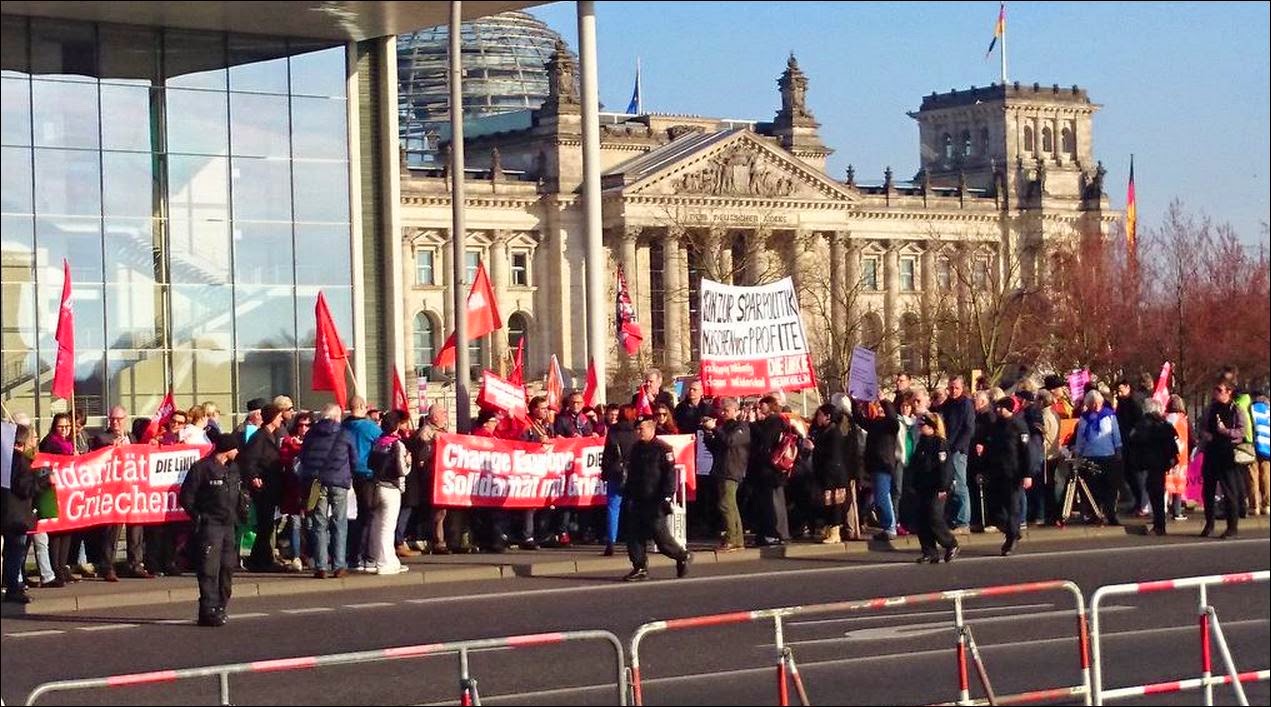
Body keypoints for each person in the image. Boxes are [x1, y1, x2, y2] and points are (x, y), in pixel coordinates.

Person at [179, 433, 245, 627]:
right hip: (211, 526)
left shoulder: (233, 469)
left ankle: (221, 607)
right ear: (227, 449)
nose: (238, 451)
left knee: (227, 568)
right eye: (235, 448)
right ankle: (207, 610)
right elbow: (186, 497)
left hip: (229, 525)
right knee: (209, 569)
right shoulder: (202, 469)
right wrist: (199, 516)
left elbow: (239, 492)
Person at [622, 415, 691, 581]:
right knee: (634, 535)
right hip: (638, 498)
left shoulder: (663, 449)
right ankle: (639, 567)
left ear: (651, 429)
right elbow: (632, 475)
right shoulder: (636, 448)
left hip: (655, 499)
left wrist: (666, 497)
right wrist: (628, 494)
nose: (639, 432)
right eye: (637, 429)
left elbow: (669, 476)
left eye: (642, 429)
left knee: (661, 538)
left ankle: (682, 556)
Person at [90, 406, 151, 580]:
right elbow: (97, 454)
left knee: (136, 529)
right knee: (112, 532)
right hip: (114, 493)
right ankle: (107, 566)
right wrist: (111, 449)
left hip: (133, 490)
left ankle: (135, 564)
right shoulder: (103, 438)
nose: (115, 422)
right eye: (112, 419)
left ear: (125, 419)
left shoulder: (131, 438)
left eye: (119, 419)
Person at [299, 405, 353, 578]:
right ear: (337, 417)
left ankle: (321, 566)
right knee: (339, 523)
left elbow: (303, 457)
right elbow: (355, 457)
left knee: (319, 524)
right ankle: (339, 565)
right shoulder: (344, 434)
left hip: (316, 483)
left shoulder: (310, 435)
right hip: (339, 481)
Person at [3, 425, 48, 604]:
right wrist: (43, 481)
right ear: (23, 442)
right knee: (15, 552)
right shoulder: (20, 461)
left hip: (6, 512)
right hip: (16, 516)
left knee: (9, 552)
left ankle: (10, 583)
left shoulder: (5, 459)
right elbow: (24, 488)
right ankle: (13, 588)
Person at [239, 403, 286, 571]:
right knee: (265, 524)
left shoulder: (275, 435)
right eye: (279, 416)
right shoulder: (259, 437)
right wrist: (254, 476)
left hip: (273, 485)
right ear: (272, 418)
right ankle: (262, 560)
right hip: (263, 486)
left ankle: (258, 558)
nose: (282, 419)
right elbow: (249, 460)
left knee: (267, 525)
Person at [983, 397, 1032, 556]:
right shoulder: (995, 426)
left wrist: (1027, 474)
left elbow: (1026, 453)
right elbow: (989, 449)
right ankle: (1011, 530)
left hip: (1013, 472)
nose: (997, 410)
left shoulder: (1019, 426)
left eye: (1001, 408)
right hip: (996, 472)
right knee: (996, 509)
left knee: (1012, 507)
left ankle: (1011, 538)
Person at [548, 391, 598, 547]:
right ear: (569, 404)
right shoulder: (562, 420)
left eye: (579, 403)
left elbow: (590, 436)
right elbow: (558, 438)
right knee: (567, 501)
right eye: (573, 403)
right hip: (567, 466)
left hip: (583, 467)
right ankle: (563, 532)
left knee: (583, 500)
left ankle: (584, 532)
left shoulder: (585, 420)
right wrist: (569, 441)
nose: (576, 405)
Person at [366, 411, 412, 574]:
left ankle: (379, 558)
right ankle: (385, 563)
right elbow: (401, 470)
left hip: (377, 485)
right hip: (391, 488)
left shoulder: (378, 442)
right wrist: (408, 462)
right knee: (388, 527)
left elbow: (370, 462)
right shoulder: (397, 444)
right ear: (397, 426)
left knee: (377, 525)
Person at [910, 412, 959, 563]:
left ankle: (950, 543)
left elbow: (945, 468)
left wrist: (943, 487)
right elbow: (916, 466)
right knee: (922, 519)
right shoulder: (922, 443)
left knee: (934, 517)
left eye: (922, 425)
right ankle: (929, 551)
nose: (920, 428)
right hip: (922, 487)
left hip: (937, 488)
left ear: (932, 427)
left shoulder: (940, 444)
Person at [703, 397, 750, 551]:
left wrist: (716, 429)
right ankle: (737, 539)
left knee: (726, 504)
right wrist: (708, 433)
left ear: (736, 411)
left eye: (727, 410)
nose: (724, 413)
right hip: (722, 468)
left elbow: (730, 442)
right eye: (722, 410)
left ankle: (732, 538)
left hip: (732, 469)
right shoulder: (725, 427)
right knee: (730, 505)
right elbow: (717, 447)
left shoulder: (741, 427)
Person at [343, 396, 385, 569]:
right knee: (368, 515)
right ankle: (366, 555)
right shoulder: (370, 427)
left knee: (354, 516)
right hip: (368, 473)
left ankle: (352, 554)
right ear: (362, 406)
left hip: (348, 473)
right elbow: (384, 444)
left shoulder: (343, 426)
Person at [1128, 399, 1180, 536]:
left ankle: (1159, 525)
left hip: (1149, 463)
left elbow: (1134, 439)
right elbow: (1171, 444)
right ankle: (1159, 524)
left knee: (1154, 493)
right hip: (1161, 463)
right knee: (1157, 493)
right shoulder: (1164, 424)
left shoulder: (1144, 424)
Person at [1199, 381, 1244, 539]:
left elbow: (1242, 431)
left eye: (1220, 390)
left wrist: (1226, 431)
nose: (1216, 392)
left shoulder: (1235, 409)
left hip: (1226, 453)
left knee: (1229, 491)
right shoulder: (1210, 409)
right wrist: (1206, 435)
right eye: (1215, 389)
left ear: (1229, 392)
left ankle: (1232, 527)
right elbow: (1202, 427)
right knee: (1208, 492)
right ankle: (1209, 524)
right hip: (1211, 452)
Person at [1073, 390, 1125, 525]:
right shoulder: (1084, 418)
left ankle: (1111, 514)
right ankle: (1095, 514)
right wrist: (1078, 452)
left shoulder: (1109, 415)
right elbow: (1081, 437)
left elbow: (1116, 433)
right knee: (1092, 488)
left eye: (1098, 403)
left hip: (1107, 455)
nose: (1095, 406)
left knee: (1110, 487)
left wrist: (1118, 449)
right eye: (1092, 404)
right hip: (1090, 455)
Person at [38, 413, 77, 587]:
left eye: (67, 426)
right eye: (61, 426)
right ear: (55, 427)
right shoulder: (50, 442)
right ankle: (54, 568)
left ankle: (62, 566)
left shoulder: (69, 443)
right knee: (56, 532)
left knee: (66, 531)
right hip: (53, 492)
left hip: (67, 492)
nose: (65, 430)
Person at [750, 395, 792, 545]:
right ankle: (768, 532)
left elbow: (765, 440)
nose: (759, 408)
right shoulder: (774, 420)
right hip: (769, 467)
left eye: (762, 405)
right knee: (767, 502)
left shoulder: (774, 421)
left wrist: (754, 424)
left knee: (770, 503)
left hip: (770, 468)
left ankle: (774, 532)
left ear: (770, 405)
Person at [858, 399, 901, 540]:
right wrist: (854, 401)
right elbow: (859, 419)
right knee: (878, 498)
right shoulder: (874, 425)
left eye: (883, 410)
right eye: (879, 409)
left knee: (883, 497)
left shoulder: (891, 426)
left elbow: (892, 418)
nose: (880, 412)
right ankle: (886, 526)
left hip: (884, 465)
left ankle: (890, 526)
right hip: (874, 465)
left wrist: (884, 401)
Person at [811, 403, 853, 544]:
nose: (818, 418)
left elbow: (832, 454)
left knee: (835, 502)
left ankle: (835, 531)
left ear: (828, 416)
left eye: (820, 415)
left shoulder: (834, 432)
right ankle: (830, 528)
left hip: (834, 475)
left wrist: (814, 448)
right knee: (828, 502)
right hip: (827, 474)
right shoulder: (824, 431)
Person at [600, 404, 638, 556]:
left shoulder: (613, 431)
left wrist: (604, 472)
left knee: (613, 507)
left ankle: (611, 541)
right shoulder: (637, 432)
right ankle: (634, 539)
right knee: (633, 508)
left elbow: (607, 454)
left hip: (616, 471)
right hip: (634, 473)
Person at [938, 376, 975, 530]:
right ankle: (953, 518)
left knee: (959, 485)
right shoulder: (947, 404)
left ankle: (963, 520)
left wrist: (956, 447)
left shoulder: (965, 404)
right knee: (950, 485)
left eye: (956, 388)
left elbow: (968, 429)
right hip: (947, 449)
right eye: (951, 388)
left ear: (962, 388)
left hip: (957, 450)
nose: (953, 391)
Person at [1114, 380, 1147, 517]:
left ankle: (1141, 503)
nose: (1119, 393)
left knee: (1136, 475)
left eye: (1121, 390)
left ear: (1128, 387)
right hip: (1125, 442)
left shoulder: (1134, 402)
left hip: (1134, 444)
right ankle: (1137, 502)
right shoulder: (1121, 403)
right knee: (1128, 475)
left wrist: (1133, 433)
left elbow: (1139, 422)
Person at [1164, 396, 1191, 521]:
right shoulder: (1183, 419)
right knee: (1178, 484)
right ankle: (1177, 510)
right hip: (1182, 455)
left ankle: (1163, 508)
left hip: (1168, 454)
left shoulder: (1165, 419)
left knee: (1166, 482)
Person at [1252, 392, 1270, 516]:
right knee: (1266, 475)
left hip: (1254, 445)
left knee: (1253, 476)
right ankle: (1267, 504)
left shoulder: (1251, 409)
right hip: (1267, 446)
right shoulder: (1268, 410)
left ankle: (1255, 506)